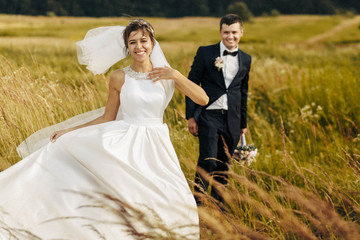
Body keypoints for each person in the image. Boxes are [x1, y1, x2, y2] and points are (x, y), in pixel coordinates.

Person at [0, 19, 208, 239]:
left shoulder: (165, 74)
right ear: (127, 47)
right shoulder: (119, 76)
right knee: (125, 194)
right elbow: (108, 116)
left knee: (171, 195)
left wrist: (175, 75)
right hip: (124, 142)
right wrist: (68, 131)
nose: (139, 46)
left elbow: (202, 99)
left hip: (156, 143)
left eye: (143, 41)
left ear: (153, 42)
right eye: (133, 42)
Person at [186, 14, 251, 205]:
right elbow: (191, 83)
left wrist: (243, 123)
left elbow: (243, 91)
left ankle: (219, 208)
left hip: (232, 118)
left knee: (224, 165)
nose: (230, 36)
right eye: (226, 32)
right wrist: (191, 116)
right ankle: (196, 202)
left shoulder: (246, 59)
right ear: (220, 32)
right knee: (208, 160)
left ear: (241, 32)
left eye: (234, 32)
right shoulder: (206, 53)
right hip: (209, 115)